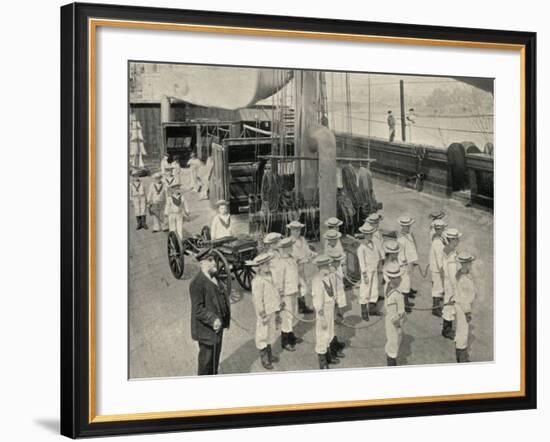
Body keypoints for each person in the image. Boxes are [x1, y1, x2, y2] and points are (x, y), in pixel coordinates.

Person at [189, 248, 231, 375]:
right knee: (206, 362)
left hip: (218, 328)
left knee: (215, 358)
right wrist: (213, 319)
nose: (214, 263)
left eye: (214, 260)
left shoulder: (214, 276)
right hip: (207, 331)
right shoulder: (197, 283)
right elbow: (198, 309)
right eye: (210, 260)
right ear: (202, 264)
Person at [248, 253, 283, 370]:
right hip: (264, 313)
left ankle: (269, 354)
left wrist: (279, 303)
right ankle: (264, 358)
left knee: (271, 332)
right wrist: (262, 314)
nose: (269, 265)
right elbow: (257, 300)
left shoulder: (271, 276)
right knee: (262, 334)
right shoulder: (257, 281)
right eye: (266, 264)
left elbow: (275, 291)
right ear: (259, 267)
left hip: (272, 309)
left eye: (268, 263)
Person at [270, 236, 301, 352]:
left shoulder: (292, 258)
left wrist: (299, 285)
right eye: (290, 247)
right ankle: (285, 341)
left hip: (293, 290)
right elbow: (278, 281)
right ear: (285, 249)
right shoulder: (280, 263)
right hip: (286, 293)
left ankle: (291, 336)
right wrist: (280, 296)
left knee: (293, 314)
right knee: (286, 317)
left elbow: (295, 273)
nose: (292, 248)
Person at [311, 255, 340, 369]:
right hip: (323, 310)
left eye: (327, 265)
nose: (327, 267)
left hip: (330, 307)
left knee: (330, 332)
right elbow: (318, 301)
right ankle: (322, 361)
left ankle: (328, 355)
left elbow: (332, 293)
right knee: (322, 334)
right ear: (319, 267)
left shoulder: (330, 276)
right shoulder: (317, 280)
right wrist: (321, 317)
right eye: (324, 266)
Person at [288, 220, 315, 315]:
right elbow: (292, 256)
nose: (298, 232)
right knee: (297, 286)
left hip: (302, 267)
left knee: (303, 285)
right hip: (294, 267)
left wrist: (312, 254)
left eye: (299, 230)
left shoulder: (302, 239)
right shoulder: (289, 242)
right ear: (291, 231)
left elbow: (307, 250)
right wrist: (300, 260)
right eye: (295, 230)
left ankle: (302, 306)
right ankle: (295, 307)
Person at [454, 251, 477, 363]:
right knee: (463, 332)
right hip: (463, 308)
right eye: (469, 262)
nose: (471, 264)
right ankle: (462, 358)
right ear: (465, 264)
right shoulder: (463, 279)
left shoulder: (462, 273)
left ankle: (461, 355)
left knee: (461, 331)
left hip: (460, 306)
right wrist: (467, 312)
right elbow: (464, 299)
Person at [383, 262, 407, 366]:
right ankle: (391, 364)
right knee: (394, 343)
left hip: (392, 319)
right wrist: (399, 327)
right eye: (398, 277)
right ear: (392, 279)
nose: (401, 278)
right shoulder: (394, 295)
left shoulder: (387, 286)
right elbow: (394, 316)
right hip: (394, 323)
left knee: (392, 342)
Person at [357, 223, 382, 320]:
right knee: (365, 290)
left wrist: (378, 265)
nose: (369, 236)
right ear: (364, 234)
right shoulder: (361, 248)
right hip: (366, 272)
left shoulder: (374, 245)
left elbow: (377, 256)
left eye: (371, 234)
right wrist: (364, 275)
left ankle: (372, 309)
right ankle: (363, 311)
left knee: (374, 288)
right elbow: (362, 263)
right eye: (367, 234)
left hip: (374, 270)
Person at [441, 228, 462, 340]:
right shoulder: (452, 255)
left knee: (449, 305)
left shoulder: (447, 249)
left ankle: (447, 328)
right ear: (453, 240)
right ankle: (446, 330)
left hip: (447, 281)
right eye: (457, 238)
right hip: (451, 284)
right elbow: (453, 274)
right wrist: (456, 288)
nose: (458, 240)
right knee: (449, 306)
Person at [397, 215, 419, 312]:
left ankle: (406, 301)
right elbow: (400, 253)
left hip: (410, 262)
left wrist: (413, 261)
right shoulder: (401, 239)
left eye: (409, 225)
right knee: (404, 284)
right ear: (402, 226)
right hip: (404, 264)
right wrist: (404, 263)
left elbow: (412, 247)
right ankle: (404, 304)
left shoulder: (409, 234)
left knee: (408, 282)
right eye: (406, 226)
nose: (408, 227)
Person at [327, 249, 347, 357]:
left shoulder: (337, 269)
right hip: (331, 303)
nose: (339, 262)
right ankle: (332, 350)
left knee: (335, 326)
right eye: (337, 260)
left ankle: (335, 342)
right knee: (331, 327)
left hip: (338, 300)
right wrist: (336, 304)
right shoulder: (330, 273)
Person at [429, 219, 448, 317]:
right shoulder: (437, 242)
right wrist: (442, 271)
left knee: (438, 288)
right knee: (438, 288)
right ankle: (435, 308)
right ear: (439, 230)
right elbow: (439, 258)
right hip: (437, 269)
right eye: (443, 229)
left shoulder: (439, 239)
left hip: (436, 268)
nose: (444, 230)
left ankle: (436, 307)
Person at [365, 212, 385, 299]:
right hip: (374, 259)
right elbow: (377, 247)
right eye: (375, 223)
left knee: (379, 277)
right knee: (373, 279)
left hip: (379, 257)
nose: (377, 224)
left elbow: (381, 245)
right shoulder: (371, 233)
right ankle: (371, 298)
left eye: (378, 222)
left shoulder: (377, 232)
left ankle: (376, 294)